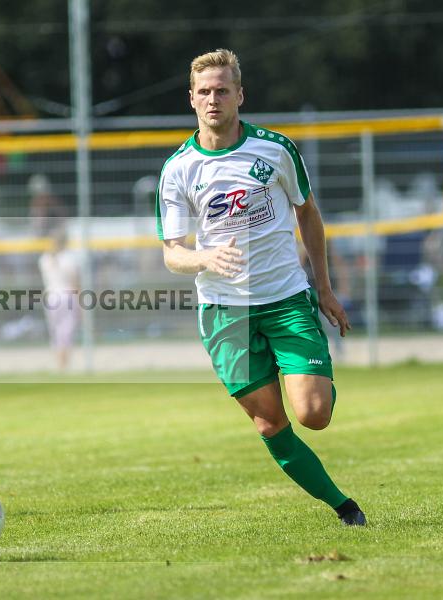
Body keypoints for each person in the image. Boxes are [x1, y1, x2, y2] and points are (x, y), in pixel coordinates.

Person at [156, 49, 365, 526]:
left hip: (286, 299)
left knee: (314, 413)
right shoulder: (178, 169)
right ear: (191, 99)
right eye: (204, 91)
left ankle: (310, 376)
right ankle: (345, 508)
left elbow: (308, 215)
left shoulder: (275, 149)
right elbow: (172, 252)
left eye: (222, 90)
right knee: (271, 423)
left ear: (240, 95)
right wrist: (204, 256)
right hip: (224, 312)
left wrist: (325, 289)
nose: (214, 99)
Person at [38, 227, 80, 370]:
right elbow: (74, 282)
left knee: (55, 332)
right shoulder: (68, 258)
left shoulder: (44, 259)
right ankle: (64, 366)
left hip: (51, 297)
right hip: (67, 296)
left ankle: (59, 365)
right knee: (66, 332)